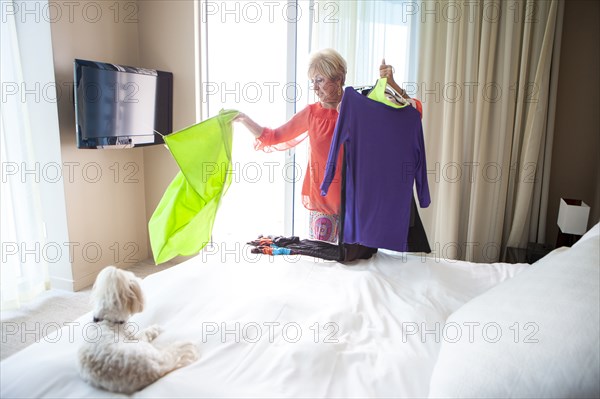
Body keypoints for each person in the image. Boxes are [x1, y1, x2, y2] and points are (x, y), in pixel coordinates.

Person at [235, 49, 411, 244]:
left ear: (339, 79)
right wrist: (243, 118)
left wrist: (393, 84)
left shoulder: (360, 109)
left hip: (357, 204)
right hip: (323, 205)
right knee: (322, 264)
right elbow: (273, 136)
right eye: (312, 82)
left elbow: (408, 114)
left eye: (319, 80)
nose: (315, 88)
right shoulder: (311, 114)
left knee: (357, 264)